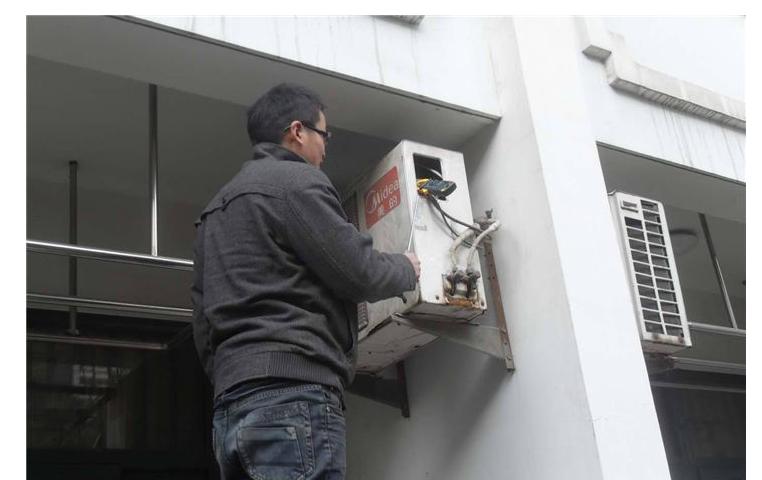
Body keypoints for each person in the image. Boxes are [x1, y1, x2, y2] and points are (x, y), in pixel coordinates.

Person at [191, 83, 420, 480]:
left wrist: (236, 372)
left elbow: (202, 321)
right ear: (297, 131)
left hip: (230, 408)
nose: (326, 147)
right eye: (324, 135)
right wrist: (407, 268)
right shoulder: (297, 182)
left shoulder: (214, 213)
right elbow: (357, 270)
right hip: (293, 395)